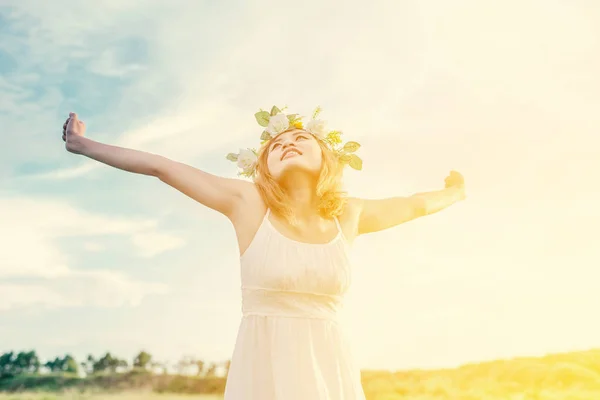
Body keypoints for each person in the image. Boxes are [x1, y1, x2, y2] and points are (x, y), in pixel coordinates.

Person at [61, 105, 466, 399]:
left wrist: (455, 192)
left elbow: (414, 204)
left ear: (326, 158)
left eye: (300, 139)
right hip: (265, 367)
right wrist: (83, 145)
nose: (288, 144)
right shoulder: (248, 203)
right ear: (264, 167)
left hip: (330, 366)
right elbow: (162, 166)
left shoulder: (349, 214)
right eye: (277, 145)